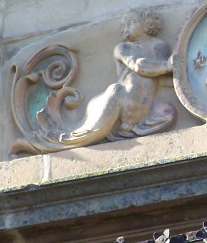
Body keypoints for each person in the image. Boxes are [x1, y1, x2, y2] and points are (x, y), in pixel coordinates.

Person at [51, 9, 176, 145]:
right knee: (115, 90)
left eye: (131, 22)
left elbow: (163, 80)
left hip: (144, 109)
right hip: (125, 100)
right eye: (123, 25)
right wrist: (168, 66)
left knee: (168, 112)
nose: (125, 28)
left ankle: (131, 128)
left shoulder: (160, 46)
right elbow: (138, 66)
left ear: (147, 23)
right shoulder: (123, 48)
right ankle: (77, 137)